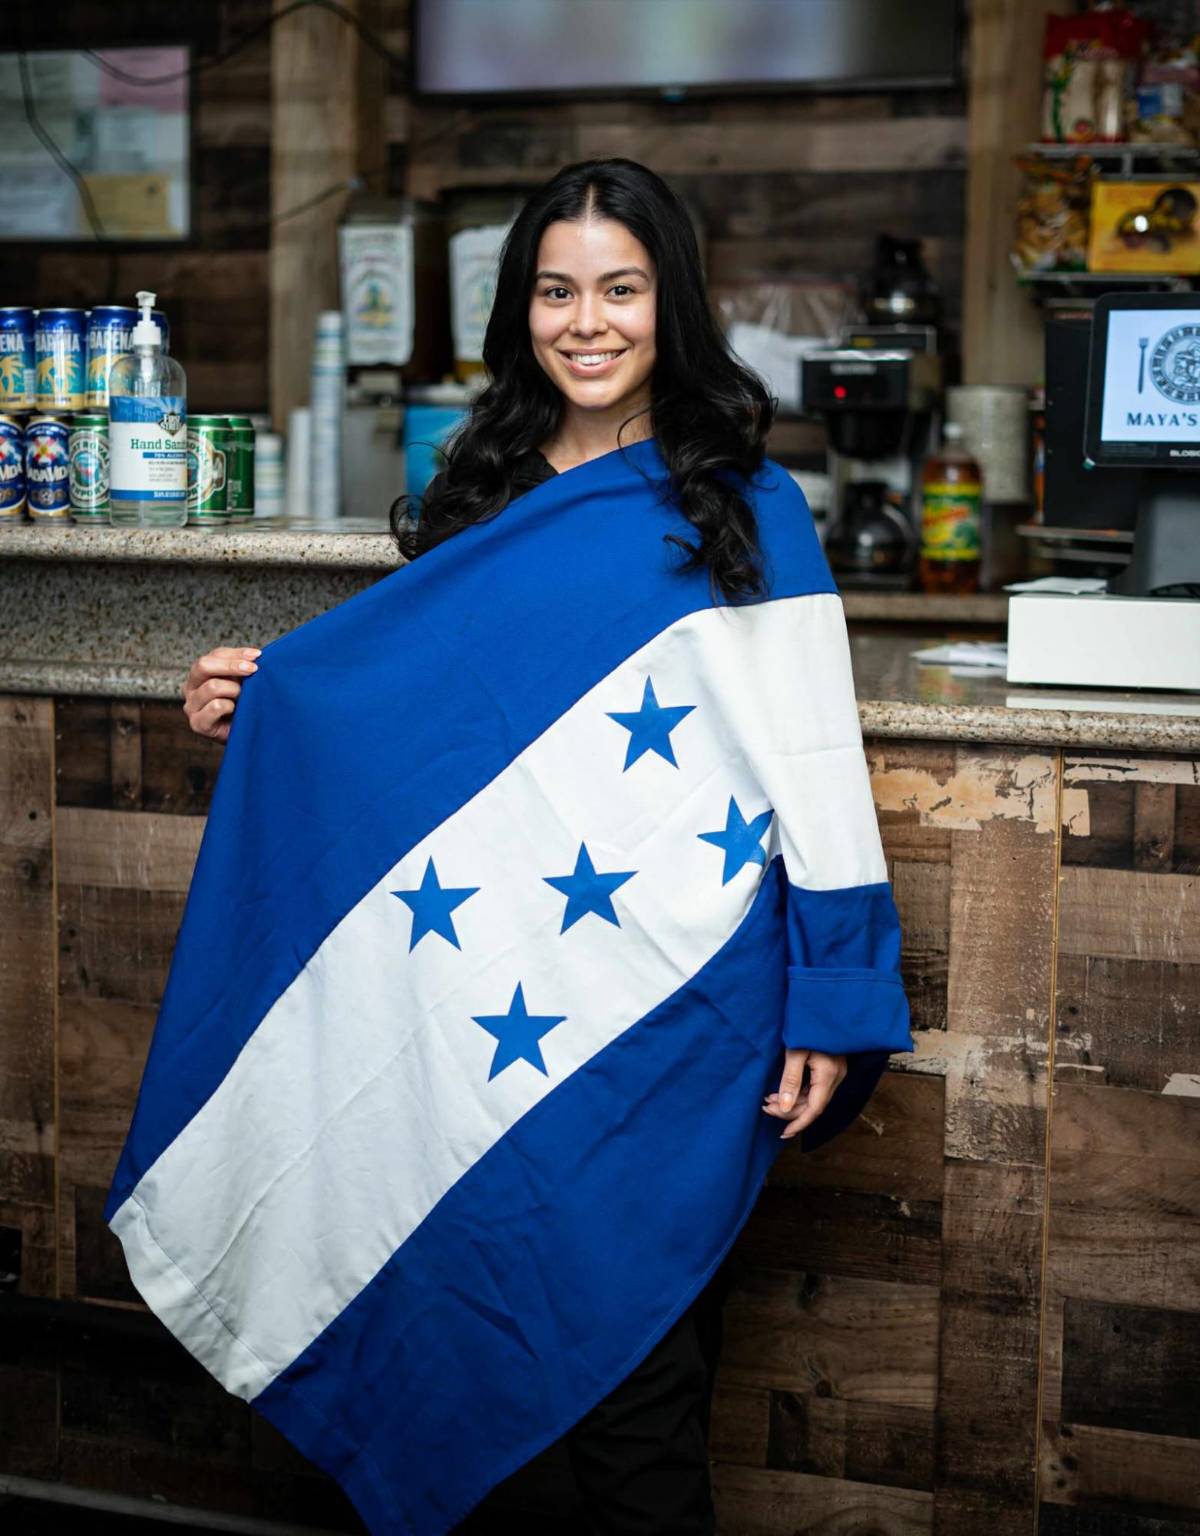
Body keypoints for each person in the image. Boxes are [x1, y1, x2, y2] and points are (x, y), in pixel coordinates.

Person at [178, 159, 897, 1534]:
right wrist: (261, 709)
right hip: (472, 1013)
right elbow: (428, 720)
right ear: (519, 312)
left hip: (669, 1018)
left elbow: (814, 760)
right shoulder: (480, 487)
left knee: (640, 1394)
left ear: (668, 304)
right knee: (466, 1355)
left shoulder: (745, 501)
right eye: (556, 291)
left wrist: (837, 989)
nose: (587, 322)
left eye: (620, 289)